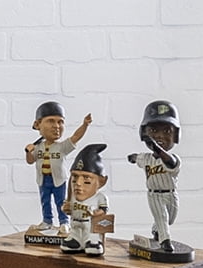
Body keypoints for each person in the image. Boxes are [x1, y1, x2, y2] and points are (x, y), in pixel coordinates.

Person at [126, 99, 186, 258]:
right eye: (153, 130)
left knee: (170, 218)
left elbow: (169, 161)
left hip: (171, 193)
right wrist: (132, 158)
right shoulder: (146, 158)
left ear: (176, 135)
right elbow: (136, 158)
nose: (159, 135)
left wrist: (155, 146)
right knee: (162, 217)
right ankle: (165, 241)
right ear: (144, 132)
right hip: (154, 194)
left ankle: (156, 230)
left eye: (167, 131)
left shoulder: (174, 159)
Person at [24, 100, 93, 237]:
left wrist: (84, 125)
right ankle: (47, 221)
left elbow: (76, 137)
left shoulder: (62, 147)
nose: (56, 126)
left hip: (59, 180)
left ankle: (64, 222)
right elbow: (30, 161)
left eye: (60, 122)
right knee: (45, 201)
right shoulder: (38, 147)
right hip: (43, 179)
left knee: (61, 201)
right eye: (51, 121)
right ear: (38, 125)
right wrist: (28, 151)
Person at [61, 145, 112, 256]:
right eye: (75, 178)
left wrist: (94, 213)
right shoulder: (72, 197)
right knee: (72, 240)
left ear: (101, 181)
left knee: (92, 240)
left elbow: (103, 210)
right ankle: (76, 240)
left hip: (91, 228)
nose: (78, 184)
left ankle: (93, 241)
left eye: (86, 180)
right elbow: (69, 209)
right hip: (75, 226)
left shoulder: (99, 198)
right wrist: (66, 208)